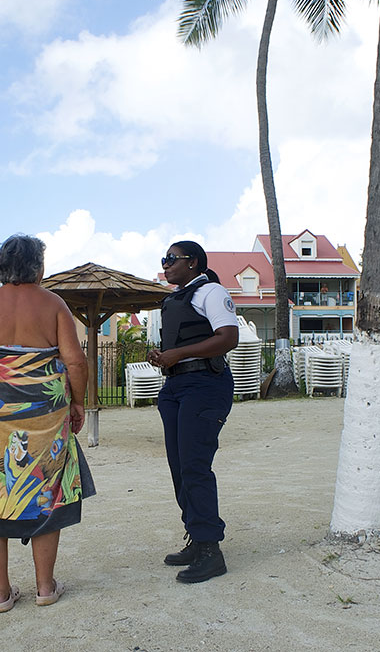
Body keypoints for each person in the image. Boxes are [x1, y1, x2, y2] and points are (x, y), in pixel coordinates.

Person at [0, 234, 93, 613]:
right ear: (39, 268)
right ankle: (45, 587)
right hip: (46, 413)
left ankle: (0, 593)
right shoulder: (54, 304)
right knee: (46, 486)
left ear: (1, 268)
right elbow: (76, 361)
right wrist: (77, 402)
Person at [147, 240, 239, 583]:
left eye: (172, 258)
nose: (166, 264)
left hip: (205, 385)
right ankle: (197, 538)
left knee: (195, 466)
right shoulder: (174, 299)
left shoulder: (210, 292)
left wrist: (180, 354)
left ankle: (211, 551)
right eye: (164, 259)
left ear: (194, 262)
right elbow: (181, 344)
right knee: (180, 468)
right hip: (175, 387)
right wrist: (164, 356)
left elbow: (228, 338)